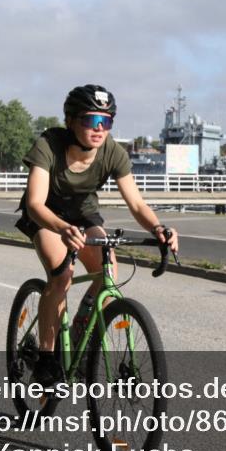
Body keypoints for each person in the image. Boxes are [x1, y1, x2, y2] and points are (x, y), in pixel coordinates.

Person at [16, 85, 179, 385]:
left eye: (107, 121)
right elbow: (35, 203)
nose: (100, 129)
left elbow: (136, 203)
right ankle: (47, 357)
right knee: (62, 276)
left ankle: (81, 326)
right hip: (47, 215)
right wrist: (62, 228)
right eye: (92, 121)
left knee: (109, 275)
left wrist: (158, 228)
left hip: (84, 214)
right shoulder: (49, 145)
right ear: (71, 120)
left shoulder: (112, 152)